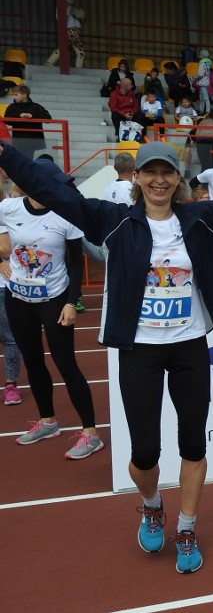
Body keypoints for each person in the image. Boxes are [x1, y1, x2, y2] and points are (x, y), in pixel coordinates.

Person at [0, 140, 213, 573]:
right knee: (145, 453)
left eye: (167, 172)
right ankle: (152, 505)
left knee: (193, 442)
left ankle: (187, 528)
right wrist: (6, 155)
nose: (159, 180)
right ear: (137, 179)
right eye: (150, 172)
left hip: (189, 346)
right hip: (139, 350)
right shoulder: (112, 220)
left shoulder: (201, 218)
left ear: (178, 180)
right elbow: (54, 191)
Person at [0, 162, 101, 459]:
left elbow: (74, 263)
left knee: (66, 363)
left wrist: (72, 301)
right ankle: (48, 422)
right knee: (32, 359)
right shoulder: (8, 208)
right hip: (17, 299)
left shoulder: (65, 213)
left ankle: (91, 433)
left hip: (55, 300)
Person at [0, 198, 23, 406]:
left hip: (3, 285)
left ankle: (10, 384)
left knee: (9, 338)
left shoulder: (5, 212)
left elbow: (6, 249)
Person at [4, 86, 52, 160]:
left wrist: (32, 116)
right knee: (19, 160)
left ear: (24, 95)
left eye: (16, 95)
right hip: (19, 140)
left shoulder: (37, 107)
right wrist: (19, 116)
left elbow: (48, 119)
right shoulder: (12, 107)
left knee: (28, 160)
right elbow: (6, 119)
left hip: (32, 140)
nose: (14, 97)